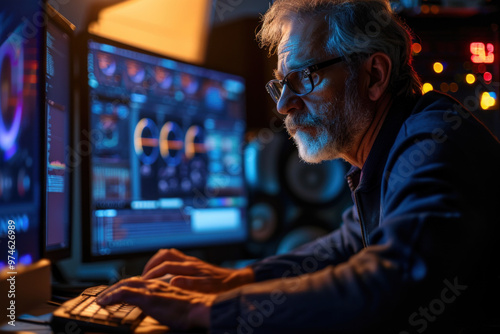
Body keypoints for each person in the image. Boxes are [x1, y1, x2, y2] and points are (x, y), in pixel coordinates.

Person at [97, 0, 500, 333]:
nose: (283, 104)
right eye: (280, 84)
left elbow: (391, 280)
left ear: (374, 76)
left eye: (304, 78)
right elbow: (347, 242)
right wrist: (238, 279)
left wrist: (206, 312)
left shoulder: (432, 145)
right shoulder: (397, 146)